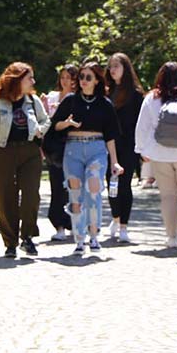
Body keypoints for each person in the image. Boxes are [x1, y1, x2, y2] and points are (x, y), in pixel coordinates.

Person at [50, 60, 125, 254]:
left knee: (93, 187)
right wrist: (66, 124)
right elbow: (54, 125)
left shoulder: (105, 104)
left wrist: (115, 161)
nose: (83, 81)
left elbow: (111, 136)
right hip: (73, 149)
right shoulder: (70, 101)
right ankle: (79, 238)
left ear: (97, 81)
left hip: (96, 148)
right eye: (81, 77)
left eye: (88, 77)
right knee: (75, 192)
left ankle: (94, 235)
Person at [0, 62, 51, 258]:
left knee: (31, 195)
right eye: (29, 77)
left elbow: (46, 120)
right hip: (5, 151)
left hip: (29, 151)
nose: (33, 81)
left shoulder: (33, 100)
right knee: (6, 198)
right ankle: (10, 243)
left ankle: (27, 237)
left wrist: (40, 129)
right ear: (18, 79)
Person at [134, 62, 177, 250]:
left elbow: (142, 126)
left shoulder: (152, 98)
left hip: (159, 153)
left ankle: (171, 238)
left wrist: (142, 150)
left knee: (168, 196)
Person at [105, 53, 144, 243]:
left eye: (116, 66)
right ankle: (115, 217)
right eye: (111, 66)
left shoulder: (135, 94)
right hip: (108, 144)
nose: (112, 70)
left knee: (125, 184)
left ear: (125, 69)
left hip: (128, 145)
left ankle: (124, 225)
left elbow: (140, 122)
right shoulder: (107, 92)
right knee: (110, 183)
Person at [42, 64, 78, 241]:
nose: (65, 81)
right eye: (63, 77)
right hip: (54, 147)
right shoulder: (51, 97)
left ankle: (74, 222)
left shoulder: (78, 98)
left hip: (72, 145)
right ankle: (59, 224)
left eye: (69, 78)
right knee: (57, 186)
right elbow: (46, 120)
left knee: (73, 187)